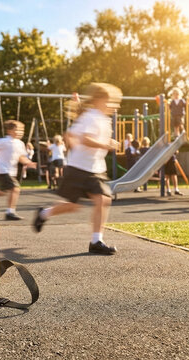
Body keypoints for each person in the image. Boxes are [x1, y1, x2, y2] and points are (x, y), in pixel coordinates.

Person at [33, 83, 122, 255]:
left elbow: (73, 135)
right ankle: (43, 213)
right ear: (99, 101)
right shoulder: (91, 116)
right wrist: (105, 144)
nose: (115, 106)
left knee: (104, 200)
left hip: (95, 168)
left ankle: (96, 241)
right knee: (73, 206)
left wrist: (107, 143)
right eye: (111, 101)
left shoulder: (103, 119)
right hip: (79, 168)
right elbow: (85, 138)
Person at [0, 120, 37, 220]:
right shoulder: (4, 141)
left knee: (3, 192)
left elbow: (21, 157)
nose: (20, 132)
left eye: (21, 130)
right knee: (15, 188)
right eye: (17, 130)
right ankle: (10, 212)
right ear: (9, 131)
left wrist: (29, 163)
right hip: (3, 170)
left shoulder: (20, 143)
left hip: (11, 170)